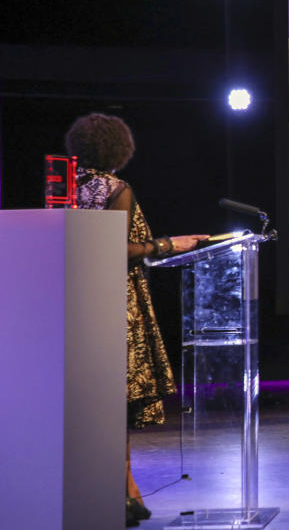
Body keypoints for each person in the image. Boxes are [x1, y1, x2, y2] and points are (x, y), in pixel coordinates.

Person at [65, 113, 208, 527]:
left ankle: (127, 494)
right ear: (119, 149)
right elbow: (118, 248)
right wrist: (168, 244)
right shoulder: (115, 188)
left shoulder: (65, 187)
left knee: (96, 403)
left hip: (76, 298)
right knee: (117, 402)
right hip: (114, 300)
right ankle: (122, 494)